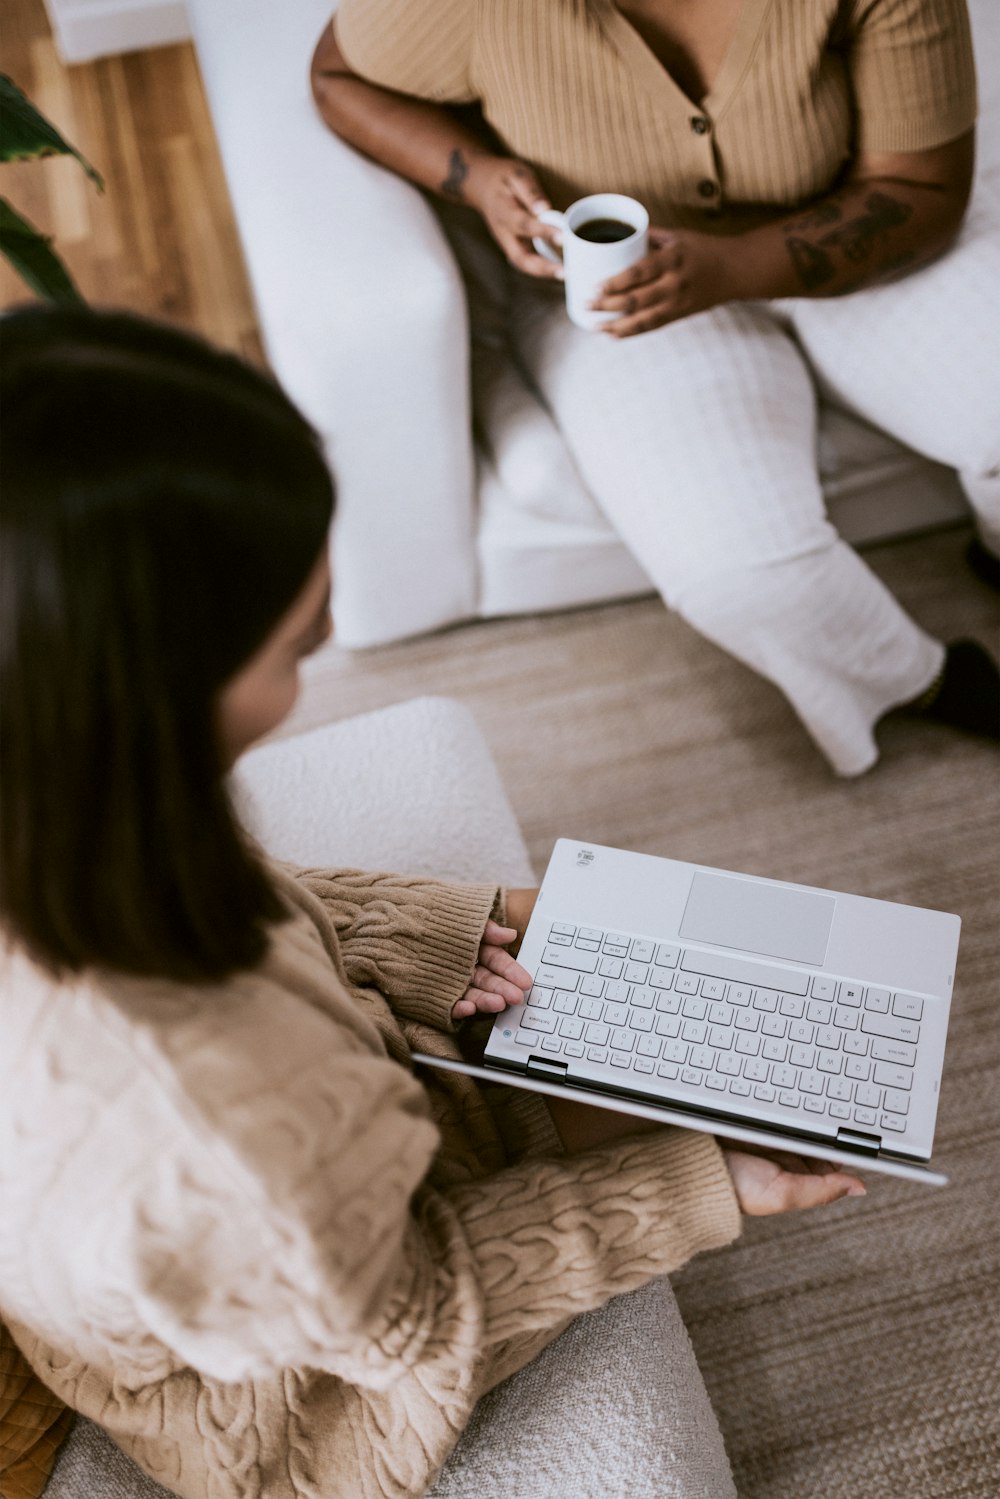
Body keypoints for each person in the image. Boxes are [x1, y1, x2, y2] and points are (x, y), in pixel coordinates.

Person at [0, 307, 866, 1499]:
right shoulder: (208, 1123)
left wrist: (423, 936)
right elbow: (416, 1313)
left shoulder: (65, 788)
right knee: (768, 1060)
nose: (332, 632)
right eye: (294, 642)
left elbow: (252, 893)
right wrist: (700, 1186)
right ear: (146, 694)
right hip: (305, 1395)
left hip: (270, 1178)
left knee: (621, 944)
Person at [311, 0, 1000, 776]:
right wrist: (473, 176)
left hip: (855, 227)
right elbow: (337, 74)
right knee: (738, 574)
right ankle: (926, 680)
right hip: (617, 294)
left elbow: (923, 188)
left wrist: (733, 267)